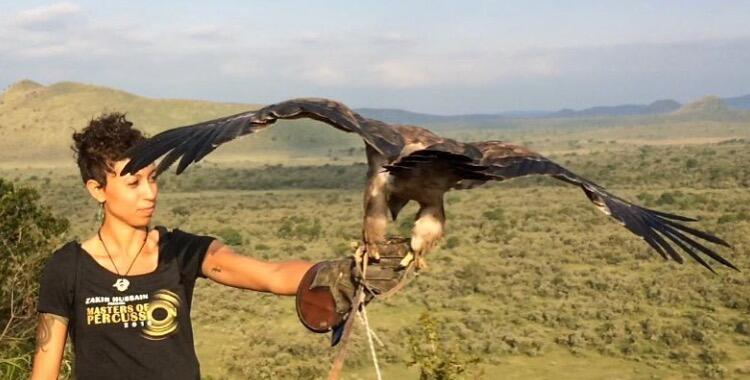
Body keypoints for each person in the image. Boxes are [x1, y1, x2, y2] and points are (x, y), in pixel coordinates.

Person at [30, 113, 316, 379]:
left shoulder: (178, 252)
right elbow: (44, 371)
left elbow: (272, 274)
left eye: (153, 178)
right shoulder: (69, 268)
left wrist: (340, 273)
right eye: (134, 183)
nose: (150, 193)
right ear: (97, 189)